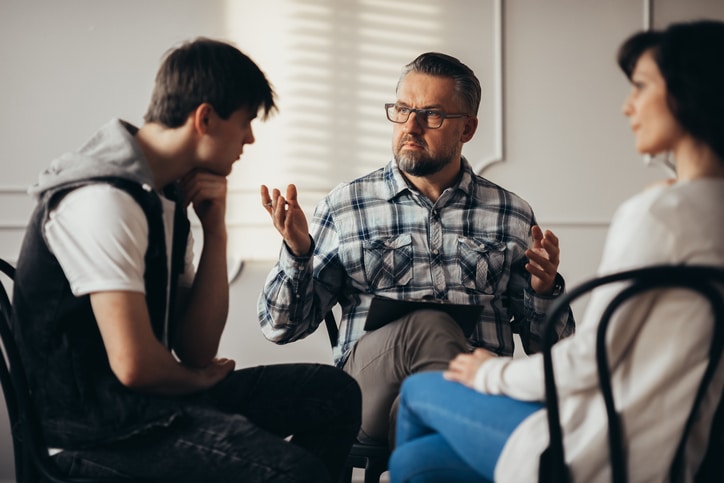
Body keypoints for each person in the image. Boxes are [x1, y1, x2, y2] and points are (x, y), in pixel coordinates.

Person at [11, 38, 361, 482]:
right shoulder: (102, 199)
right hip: (91, 436)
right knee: (295, 472)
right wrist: (197, 382)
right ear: (206, 118)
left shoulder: (164, 198)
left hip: (151, 407)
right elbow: (136, 364)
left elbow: (196, 349)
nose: (249, 139)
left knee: (334, 394)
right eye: (246, 122)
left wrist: (215, 231)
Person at [389, 19, 724, 483]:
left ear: (690, 94)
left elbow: (591, 358)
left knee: (421, 390)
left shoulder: (661, 214)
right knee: (413, 464)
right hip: (685, 449)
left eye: (642, 86)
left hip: (604, 446)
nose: (628, 106)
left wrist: (491, 374)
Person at [258, 52, 575, 445]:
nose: (411, 125)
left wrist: (544, 293)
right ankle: (491, 438)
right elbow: (280, 327)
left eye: (432, 115)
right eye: (402, 109)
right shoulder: (346, 205)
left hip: (446, 402)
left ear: (468, 128)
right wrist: (298, 253)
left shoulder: (510, 213)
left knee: (420, 422)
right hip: (367, 395)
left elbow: (552, 349)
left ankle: (437, 443)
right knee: (429, 326)